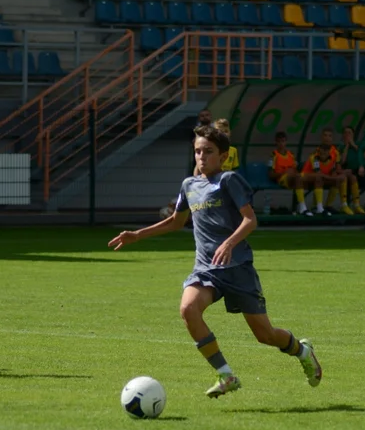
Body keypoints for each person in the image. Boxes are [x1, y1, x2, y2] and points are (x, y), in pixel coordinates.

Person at [108, 125, 322, 398]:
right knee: (188, 309)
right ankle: (225, 374)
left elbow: (250, 220)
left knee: (265, 335)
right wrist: (137, 235)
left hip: (237, 268)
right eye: (197, 151)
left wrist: (229, 242)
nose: (201, 156)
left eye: (208, 151)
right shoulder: (189, 185)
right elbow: (177, 222)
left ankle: (303, 351)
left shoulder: (229, 180)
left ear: (222, 156)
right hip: (206, 269)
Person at [302, 128, 354, 216]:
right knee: (320, 179)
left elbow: (337, 168)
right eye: (325, 135)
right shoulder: (316, 153)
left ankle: (330, 205)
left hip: (324, 177)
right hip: (310, 178)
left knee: (341, 179)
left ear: (332, 138)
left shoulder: (335, 152)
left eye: (329, 136)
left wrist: (341, 172)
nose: (327, 138)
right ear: (321, 137)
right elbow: (317, 172)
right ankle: (316, 206)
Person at [267, 131, 311, 216]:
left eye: (283, 141)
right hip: (282, 180)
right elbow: (271, 175)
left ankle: (315, 207)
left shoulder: (291, 155)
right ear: (276, 142)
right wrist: (284, 172)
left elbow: (295, 169)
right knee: (298, 178)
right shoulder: (273, 156)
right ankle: (302, 208)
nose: (281, 144)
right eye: (279, 141)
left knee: (308, 178)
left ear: (286, 142)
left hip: (293, 178)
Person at [337, 125, 365, 215]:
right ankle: (345, 205)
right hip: (347, 173)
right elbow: (342, 161)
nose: (347, 135)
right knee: (350, 176)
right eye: (345, 133)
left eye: (349, 133)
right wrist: (347, 146)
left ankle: (357, 205)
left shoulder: (359, 144)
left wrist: (353, 145)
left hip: (361, 172)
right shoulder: (340, 147)